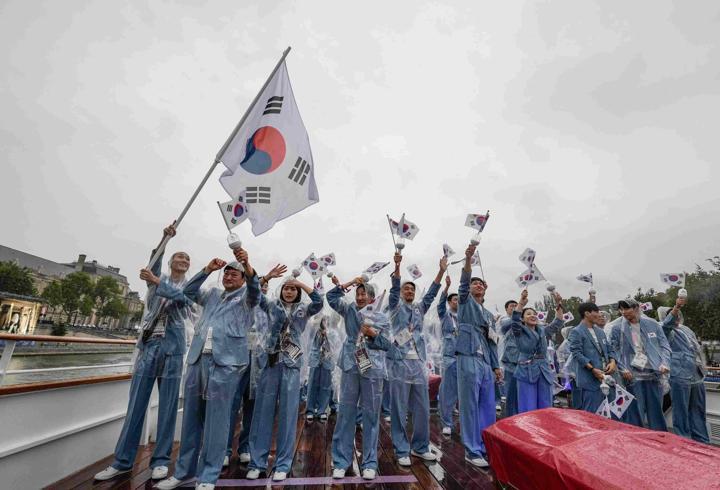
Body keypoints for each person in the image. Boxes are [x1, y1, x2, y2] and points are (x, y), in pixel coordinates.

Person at [95, 224, 192, 482]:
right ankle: (122, 460)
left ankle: (160, 460)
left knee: (168, 407)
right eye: (179, 257)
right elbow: (154, 264)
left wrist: (157, 281)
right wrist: (165, 238)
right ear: (171, 262)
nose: (183, 260)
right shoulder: (153, 281)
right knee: (136, 404)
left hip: (173, 350)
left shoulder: (189, 287)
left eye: (187, 259)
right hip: (150, 346)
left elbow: (183, 301)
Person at [156, 248, 259, 490]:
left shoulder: (248, 299)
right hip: (198, 359)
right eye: (226, 273)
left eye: (235, 274)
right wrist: (206, 270)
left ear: (243, 279)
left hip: (227, 364)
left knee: (218, 420)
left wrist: (248, 264)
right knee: (191, 417)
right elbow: (188, 291)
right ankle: (183, 472)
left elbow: (255, 289)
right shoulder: (212, 294)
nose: (229, 277)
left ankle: (208, 476)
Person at [246, 277, 323, 481]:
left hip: (292, 364)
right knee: (263, 412)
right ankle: (257, 462)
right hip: (271, 362)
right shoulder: (272, 306)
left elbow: (319, 302)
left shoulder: (303, 310)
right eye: (286, 289)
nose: (289, 292)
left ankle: (283, 463)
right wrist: (266, 278)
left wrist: (302, 285)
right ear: (281, 291)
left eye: (292, 289)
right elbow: (255, 293)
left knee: (289, 415)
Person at [328, 277, 391, 481]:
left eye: (365, 294)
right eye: (358, 293)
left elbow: (386, 344)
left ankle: (370, 462)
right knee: (346, 412)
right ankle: (341, 461)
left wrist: (372, 334)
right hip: (350, 364)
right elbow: (331, 296)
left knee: (371, 415)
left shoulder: (381, 317)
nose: (361, 297)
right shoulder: (349, 311)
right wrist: (351, 282)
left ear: (372, 298)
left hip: (372, 368)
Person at [385, 253, 444, 465]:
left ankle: (420, 446)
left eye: (412, 289)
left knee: (422, 407)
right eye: (405, 289)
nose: (409, 291)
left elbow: (430, 295)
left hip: (418, 363)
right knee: (399, 408)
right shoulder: (395, 306)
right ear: (401, 292)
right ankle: (401, 449)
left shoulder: (419, 308)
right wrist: (397, 267)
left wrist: (441, 271)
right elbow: (393, 291)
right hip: (399, 362)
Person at [225, 266, 286, 467]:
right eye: (261, 284)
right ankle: (224, 450)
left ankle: (245, 448)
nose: (263, 287)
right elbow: (251, 290)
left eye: (266, 285)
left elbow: (280, 323)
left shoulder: (270, 307)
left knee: (252, 406)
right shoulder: (243, 302)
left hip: (259, 361)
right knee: (231, 405)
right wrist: (265, 276)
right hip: (238, 358)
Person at [455, 244, 502, 468]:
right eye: (474, 283)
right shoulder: (465, 304)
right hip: (467, 357)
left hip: (485, 363)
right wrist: (468, 259)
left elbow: (492, 342)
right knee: (470, 405)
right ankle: (471, 449)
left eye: (481, 283)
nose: (477, 285)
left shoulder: (489, 315)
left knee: (488, 405)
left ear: (486, 289)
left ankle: (485, 446)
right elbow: (463, 285)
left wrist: (496, 366)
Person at [610, 298, 672, 431]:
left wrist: (665, 363)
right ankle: (636, 439)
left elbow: (664, 345)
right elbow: (613, 351)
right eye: (621, 309)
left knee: (656, 410)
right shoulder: (617, 329)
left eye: (627, 308)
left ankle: (659, 438)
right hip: (632, 375)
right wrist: (622, 368)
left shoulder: (653, 324)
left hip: (654, 373)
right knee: (635, 410)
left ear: (637, 308)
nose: (624, 312)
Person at [660, 299, 710, 443]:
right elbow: (666, 326)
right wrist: (677, 306)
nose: (676, 317)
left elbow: (697, 348)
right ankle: (684, 441)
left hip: (696, 374)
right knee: (681, 412)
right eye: (673, 315)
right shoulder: (665, 330)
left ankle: (702, 441)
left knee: (698, 410)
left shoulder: (686, 329)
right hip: (679, 375)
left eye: (678, 314)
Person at [510, 289, 564, 413]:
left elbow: (558, 322)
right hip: (526, 370)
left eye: (534, 313)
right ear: (522, 319)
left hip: (543, 370)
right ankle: (528, 431)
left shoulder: (543, 331)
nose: (532, 315)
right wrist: (521, 304)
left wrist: (558, 303)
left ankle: (544, 430)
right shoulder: (519, 331)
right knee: (527, 405)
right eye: (528, 314)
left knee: (546, 405)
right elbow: (514, 321)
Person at [567, 302, 617, 414]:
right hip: (590, 380)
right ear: (587, 313)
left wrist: (613, 362)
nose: (599, 315)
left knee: (612, 413)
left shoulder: (600, 331)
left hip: (607, 377)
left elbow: (610, 349)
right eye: (596, 312)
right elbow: (577, 354)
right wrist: (592, 369)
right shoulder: (576, 332)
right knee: (593, 414)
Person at [305, 315, 340, 421]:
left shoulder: (333, 332)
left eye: (326, 319)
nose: (324, 321)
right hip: (315, 359)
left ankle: (322, 410)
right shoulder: (314, 329)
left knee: (326, 385)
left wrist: (328, 334)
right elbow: (308, 338)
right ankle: (310, 409)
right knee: (312, 384)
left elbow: (336, 345)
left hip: (327, 360)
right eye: (322, 319)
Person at [437, 275, 459, 434]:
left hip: (464, 356)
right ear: (450, 302)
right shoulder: (446, 315)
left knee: (464, 391)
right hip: (449, 357)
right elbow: (439, 305)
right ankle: (446, 422)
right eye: (455, 299)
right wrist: (446, 288)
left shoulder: (465, 316)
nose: (457, 301)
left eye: (459, 299)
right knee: (447, 390)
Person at [498, 299, 518, 417]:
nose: (514, 308)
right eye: (512, 306)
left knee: (519, 392)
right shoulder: (504, 320)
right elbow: (507, 324)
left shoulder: (520, 320)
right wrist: (519, 309)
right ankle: (511, 416)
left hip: (522, 360)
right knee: (510, 390)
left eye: (516, 306)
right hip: (509, 360)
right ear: (506, 309)